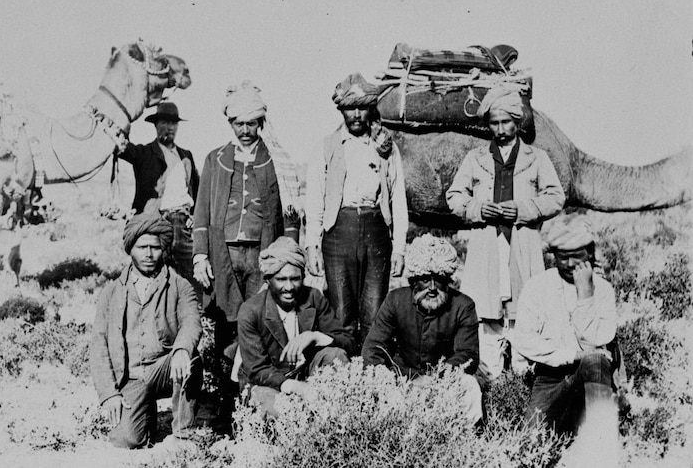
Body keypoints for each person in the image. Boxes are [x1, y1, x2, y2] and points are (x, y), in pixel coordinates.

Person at [192, 81, 301, 421]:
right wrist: (199, 256)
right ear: (231, 124)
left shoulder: (275, 162)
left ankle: (254, 398)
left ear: (260, 123)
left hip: (261, 256)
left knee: (260, 321)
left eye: (250, 123)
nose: (245, 130)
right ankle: (225, 399)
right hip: (223, 254)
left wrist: (286, 254)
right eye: (238, 123)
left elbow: (290, 214)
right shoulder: (215, 159)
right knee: (226, 325)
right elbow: (201, 212)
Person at [445, 84, 565, 380]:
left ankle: (525, 379)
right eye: (494, 123)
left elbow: (556, 197)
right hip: (488, 244)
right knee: (488, 312)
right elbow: (454, 196)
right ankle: (493, 380)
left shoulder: (536, 158)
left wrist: (523, 209)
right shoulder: (476, 158)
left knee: (525, 307)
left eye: (506, 122)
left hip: (521, 243)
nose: (500, 129)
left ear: (517, 122)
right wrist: (478, 209)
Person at [304, 72, 408, 347]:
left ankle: (371, 372)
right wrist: (312, 246)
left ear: (371, 108)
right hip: (338, 232)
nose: (357, 115)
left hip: (376, 232)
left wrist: (399, 249)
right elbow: (315, 200)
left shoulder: (385, 148)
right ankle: (342, 372)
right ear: (341, 110)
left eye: (363, 107)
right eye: (351, 108)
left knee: (374, 309)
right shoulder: (326, 147)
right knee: (341, 311)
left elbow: (398, 198)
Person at [90, 213, 202, 449]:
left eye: (155, 247)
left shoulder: (180, 285)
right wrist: (109, 394)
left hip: (165, 368)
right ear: (131, 249)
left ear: (164, 249)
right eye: (142, 247)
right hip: (131, 376)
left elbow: (191, 320)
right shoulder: (111, 292)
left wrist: (182, 349)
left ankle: (183, 433)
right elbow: (98, 345)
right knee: (127, 440)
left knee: (189, 357)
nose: (149, 254)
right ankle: (145, 412)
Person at [515, 218, 620, 440]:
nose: (571, 263)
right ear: (554, 256)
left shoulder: (602, 290)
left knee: (595, 361)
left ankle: (600, 443)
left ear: (590, 253)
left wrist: (585, 296)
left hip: (592, 374)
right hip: (549, 377)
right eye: (563, 257)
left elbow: (599, 339)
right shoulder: (536, 287)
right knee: (530, 445)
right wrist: (573, 355)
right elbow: (524, 340)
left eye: (578, 255)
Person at [362, 234, 482, 424]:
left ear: (448, 280)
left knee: (469, 386)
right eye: (425, 279)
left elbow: (468, 356)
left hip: (443, 382)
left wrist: (435, 379)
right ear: (414, 281)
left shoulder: (463, 306)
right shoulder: (395, 300)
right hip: (401, 379)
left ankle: (465, 440)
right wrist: (399, 379)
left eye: (439, 279)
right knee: (378, 383)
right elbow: (373, 349)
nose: (432, 287)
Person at [237, 237, 353, 417]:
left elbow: (347, 342)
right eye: (281, 279)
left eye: (295, 279)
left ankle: (336, 422)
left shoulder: (313, 298)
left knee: (335, 356)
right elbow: (257, 370)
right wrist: (297, 388)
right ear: (268, 280)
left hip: (306, 375)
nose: (289, 287)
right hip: (268, 383)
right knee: (277, 409)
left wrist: (314, 336)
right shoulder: (251, 311)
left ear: (303, 278)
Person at [118, 102, 199, 285]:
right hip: (154, 221)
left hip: (181, 222)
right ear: (155, 125)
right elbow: (121, 147)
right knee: (152, 274)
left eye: (173, 123)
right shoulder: (144, 153)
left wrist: (195, 215)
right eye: (164, 122)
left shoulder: (186, 156)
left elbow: (198, 191)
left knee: (188, 275)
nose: (169, 127)